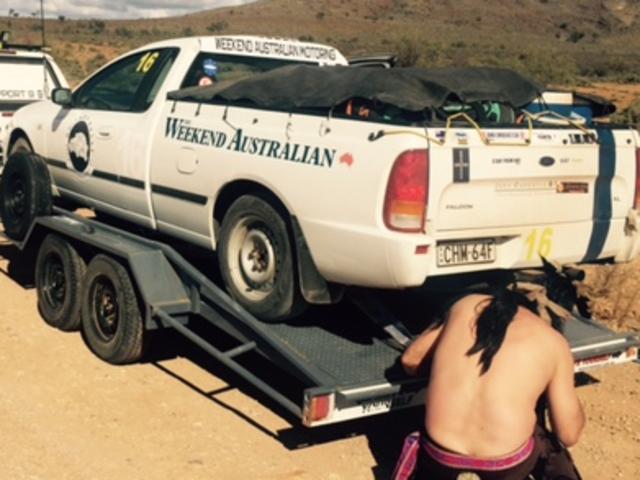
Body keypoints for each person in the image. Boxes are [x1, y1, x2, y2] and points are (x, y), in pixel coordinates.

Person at [395, 285, 585, 480]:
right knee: (547, 442)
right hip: (505, 467)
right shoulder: (553, 341)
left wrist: (442, 371)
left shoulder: (465, 305)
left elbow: (411, 360)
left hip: (441, 457)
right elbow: (568, 435)